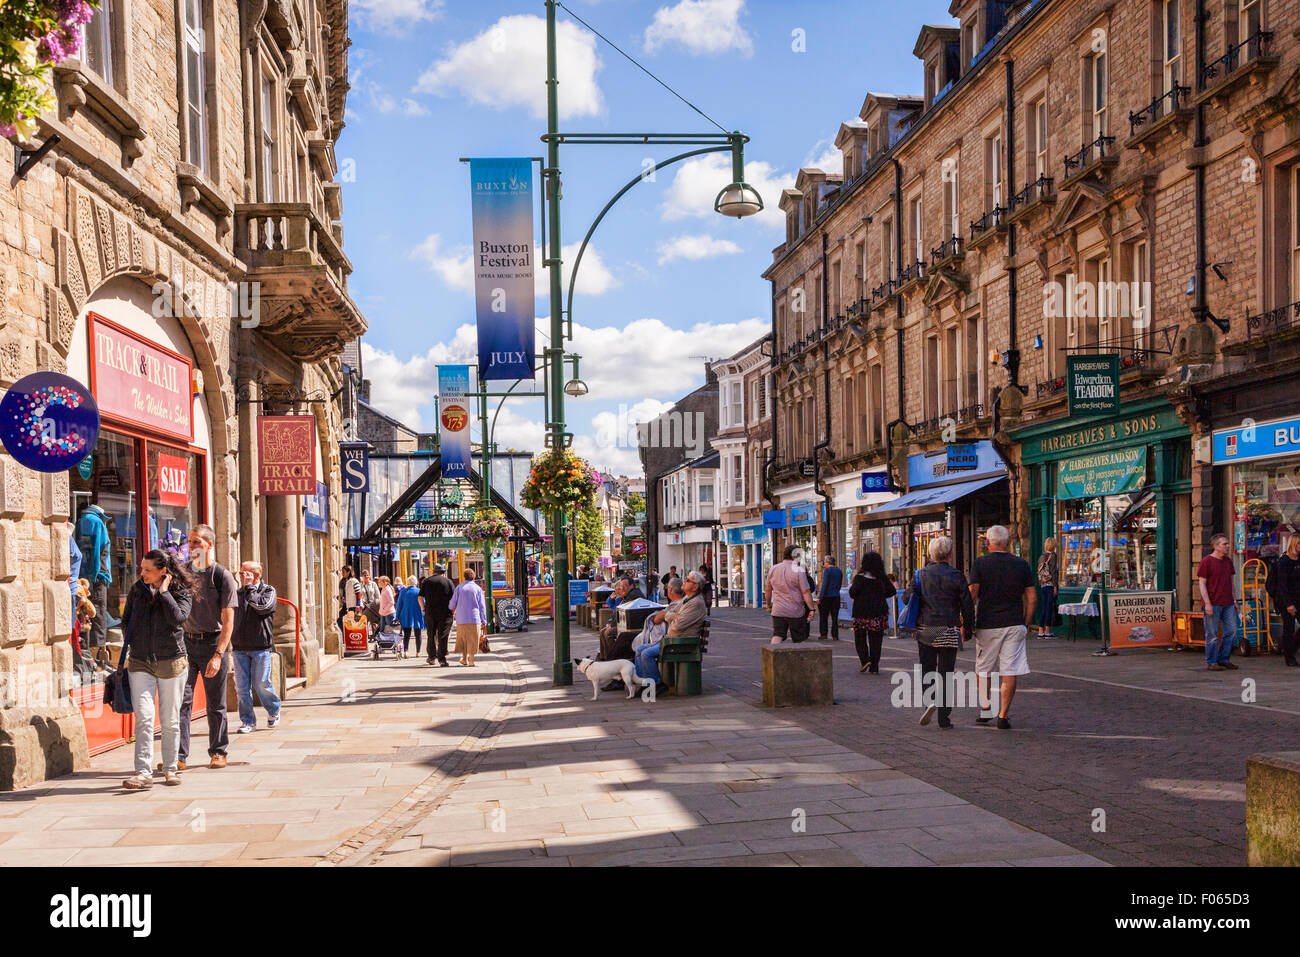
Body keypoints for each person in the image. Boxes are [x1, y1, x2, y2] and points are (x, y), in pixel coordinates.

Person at [121, 550, 196, 789]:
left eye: (147, 570)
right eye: (141, 569)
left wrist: (163, 593)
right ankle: (143, 773)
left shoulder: (180, 591)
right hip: (141, 661)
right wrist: (135, 643)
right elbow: (126, 621)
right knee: (144, 717)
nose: (142, 574)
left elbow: (178, 618)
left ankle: (171, 768)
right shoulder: (137, 590)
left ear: (163, 571)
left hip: (171, 661)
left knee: (170, 720)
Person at [178, 524, 237, 770]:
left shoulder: (221, 576)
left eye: (197, 542)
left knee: (216, 704)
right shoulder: (182, 573)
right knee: (181, 701)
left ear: (209, 545)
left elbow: (228, 621)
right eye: (190, 542)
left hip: (214, 644)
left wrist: (218, 655)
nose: (192, 547)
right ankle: (179, 756)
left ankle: (219, 751)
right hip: (186, 644)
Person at [969, 526, 1036, 730]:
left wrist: (967, 619)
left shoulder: (980, 563)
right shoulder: (1021, 564)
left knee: (983, 668)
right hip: (1014, 622)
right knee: (1010, 670)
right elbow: (1032, 597)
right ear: (1007, 543)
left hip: (988, 623)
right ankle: (1003, 715)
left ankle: (987, 706)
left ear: (988, 543)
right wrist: (1026, 621)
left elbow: (973, 593)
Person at [914, 537, 974, 730]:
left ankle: (929, 700)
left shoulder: (921, 574)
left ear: (931, 554)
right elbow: (967, 604)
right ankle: (944, 717)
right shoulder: (956, 575)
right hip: (949, 628)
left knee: (927, 668)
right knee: (946, 672)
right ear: (949, 554)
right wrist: (969, 628)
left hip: (926, 628)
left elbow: (908, 597)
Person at [232, 561, 281, 734]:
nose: (241, 576)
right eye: (240, 572)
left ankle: (274, 710)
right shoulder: (237, 593)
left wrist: (250, 588)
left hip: (261, 646)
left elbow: (262, 607)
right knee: (242, 687)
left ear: (257, 575)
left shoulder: (268, 591)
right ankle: (248, 721)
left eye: (246, 573)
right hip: (239, 646)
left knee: (261, 683)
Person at [76, 503, 112, 661]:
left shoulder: (82, 521)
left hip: (84, 577)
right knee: (98, 613)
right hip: (97, 578)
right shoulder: (97, 523)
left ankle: (87, 651)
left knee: (86, 614)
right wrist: (95, 575)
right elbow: (96, 551)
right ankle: (98, 656)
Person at [1198, 533, 1239, 672]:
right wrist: (1207, 603)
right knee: (1212, 634)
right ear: (1215, 546)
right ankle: (1212, 661)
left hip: (1228, 602)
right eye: (1224, 544)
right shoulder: (1206, 562)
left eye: (1227, 543)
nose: (1227, 546)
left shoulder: (1228, 561)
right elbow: (1202, 584)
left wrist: (1235, 600)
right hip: (1213, 603)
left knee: (1232, 631)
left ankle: (1224, 658)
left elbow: (1230, 583)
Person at [849, 551, 895, 673]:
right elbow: (892, 591)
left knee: (860, 639)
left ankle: (865, 660)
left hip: (861, 614)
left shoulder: (859, 578)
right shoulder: (881, 578)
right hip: (878, 614)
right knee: (876, 641)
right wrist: (880, 595)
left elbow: (852, 593)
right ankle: (874, 666)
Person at [766, 545, 815, 644]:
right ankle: (799, 658)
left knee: (778, 635)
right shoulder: (799, 570)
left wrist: (768, 605)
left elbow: (768, 589)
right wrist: (811, 608)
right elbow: (806, 592)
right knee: (799, 638)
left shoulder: (773, 569)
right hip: (795, 610)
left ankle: (774, 656)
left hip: (778, 609)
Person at [1272, 533, 1300, 668]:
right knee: (1288, 627)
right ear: (1294, 544)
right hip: (1287, 599)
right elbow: (1282, 585)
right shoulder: (1284, 561)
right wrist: (1289, 604)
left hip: (1299, 597)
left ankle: (1290, 648)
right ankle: (1289, 657)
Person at [449, 569, 488, 666]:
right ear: (474, 577)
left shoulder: (459, 587)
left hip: (461, 618)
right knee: (473, 639)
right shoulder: (478, 589)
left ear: (464, 576)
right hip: (474, 618)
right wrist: (484, 619)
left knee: (463, 639)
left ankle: (464, 659)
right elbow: (482, 606)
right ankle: (471, 660)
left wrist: (451, 608)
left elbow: (452, 603)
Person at [418, 564, 455, 666]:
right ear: (444, 572)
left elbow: (420, 597)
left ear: (434, 571)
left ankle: (431, 657)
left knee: (431, 634)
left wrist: (423, 609)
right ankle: (442, 659)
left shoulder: (427, 581)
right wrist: (453, 611)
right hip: (445, 613)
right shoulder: (448, 582)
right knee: (443, 635)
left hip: (430, 612)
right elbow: (454, 599)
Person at [1036, 537, 1060, 638]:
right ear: (1053, 545)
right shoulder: (1053, 556)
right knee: (1049, 608)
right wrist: (1055, 586)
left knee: (1044, 607)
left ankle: (1040, 631)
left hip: (1043, 585)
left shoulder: (1042, 556)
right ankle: (1047, 631)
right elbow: (1054, 572)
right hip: (1050, 585)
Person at [397, 575, 425, 657]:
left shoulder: (403, 592)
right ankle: (418, 652)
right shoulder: (419, 591)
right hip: (417, 614)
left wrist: (397, 617)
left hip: (406, 614)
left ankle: (406, 651)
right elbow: (424, 602)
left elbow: (399, 605)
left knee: (407, 634)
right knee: (418, 634)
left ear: (408, 583)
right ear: (416, 583)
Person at [818, 555, 844, 641]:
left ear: (827, 562)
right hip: (836, 595)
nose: (824, 564)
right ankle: (835, 635)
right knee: (834, 617)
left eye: (824, 562)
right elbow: (839, 584)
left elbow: (825, 585)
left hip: (827, 596)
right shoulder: (839, 571)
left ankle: (824, 633)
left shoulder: (827, 571)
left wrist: (821, 597)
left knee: (824, 616)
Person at [337, 566, 363, 634]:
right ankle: (346, 637)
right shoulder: (343, 581)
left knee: (354, 624)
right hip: (346, 605)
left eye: (343, 572)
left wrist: (358, 606)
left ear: (349, 572)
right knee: (340, 620)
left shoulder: (354, 581)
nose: (342, 573)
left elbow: (358, 594)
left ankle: (353, 638)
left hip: (353, 605)